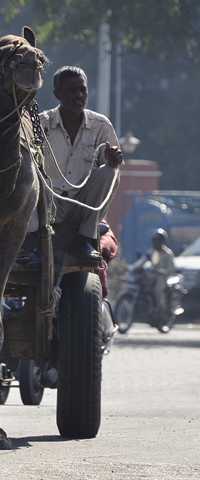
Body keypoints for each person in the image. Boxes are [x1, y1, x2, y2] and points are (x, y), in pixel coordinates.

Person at [39, 66, 123, 262]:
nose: (79, 95)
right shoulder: (42, 123)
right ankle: (38, 241)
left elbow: (110, 164)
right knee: (32, 174)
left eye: (82, 90)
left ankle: (84, 239)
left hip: (82, 204)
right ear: (57, 94)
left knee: (111, 173)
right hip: (50, 204)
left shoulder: (100, 125)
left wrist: (113, 160)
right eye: (71, 91)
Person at [135, 228, 175, 312]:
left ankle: (161, 309)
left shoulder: (168, 253)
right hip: (152, 275)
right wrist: (134, 267)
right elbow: (142, 261)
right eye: (155, 240)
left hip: (162, 277)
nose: (156, 243)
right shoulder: (152, 251)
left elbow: (171, 268)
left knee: (157, 291)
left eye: (158, 241)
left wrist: (163, 271)